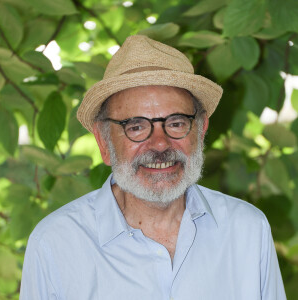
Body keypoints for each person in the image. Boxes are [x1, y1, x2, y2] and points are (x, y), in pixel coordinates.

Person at [20, 35, 286, 300]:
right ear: (104, 142)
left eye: (176, 123)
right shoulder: (55, 244)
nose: (160, 144)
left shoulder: (248, 230)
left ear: (201, 132)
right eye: (136, 126)